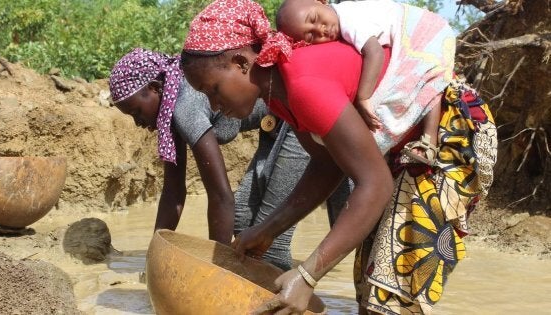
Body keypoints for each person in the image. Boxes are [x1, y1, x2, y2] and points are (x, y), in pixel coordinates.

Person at [179, 0, 497, 314]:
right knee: (371, 291)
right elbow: (328, 164)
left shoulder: (302, 84)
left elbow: (375, 184)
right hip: (403, 148)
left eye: (214, 90)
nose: (214, 105)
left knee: (391, 296)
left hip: (447, 134)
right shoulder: (279, 95)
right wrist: (266, 231)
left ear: (241, 63)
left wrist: (307, 275)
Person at [108, 48, 311, 270]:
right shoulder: (168, 112)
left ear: (155, 88)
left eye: (136, 112)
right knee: (243, 219)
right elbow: (173, 192)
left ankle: (277, 298)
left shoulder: (185, 107)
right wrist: (153, 256)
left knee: (272, 241)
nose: (138, 123)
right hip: (274, 125)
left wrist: (216, 268)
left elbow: (221, 196)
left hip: (298, 119)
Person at [276, 0, 457, 165]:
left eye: (315, 18)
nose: (321, 30)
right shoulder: (340, 19)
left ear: (319, 2)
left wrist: (364, 97)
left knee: (424, 77)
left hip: (426, 29)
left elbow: (375, 53)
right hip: (427, 25)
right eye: (310, 36)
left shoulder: (348, 19)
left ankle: (429, 138)